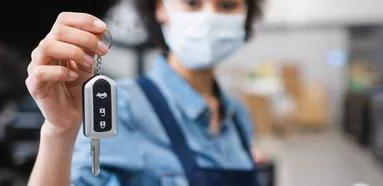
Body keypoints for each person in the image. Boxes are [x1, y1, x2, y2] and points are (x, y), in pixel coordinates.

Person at [26, 0, 263, 185]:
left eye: (228, 5)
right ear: (161, 7)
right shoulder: (122, 107)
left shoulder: (237, 116)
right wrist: (60, 132)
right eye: (192, 3)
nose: (209, 16)